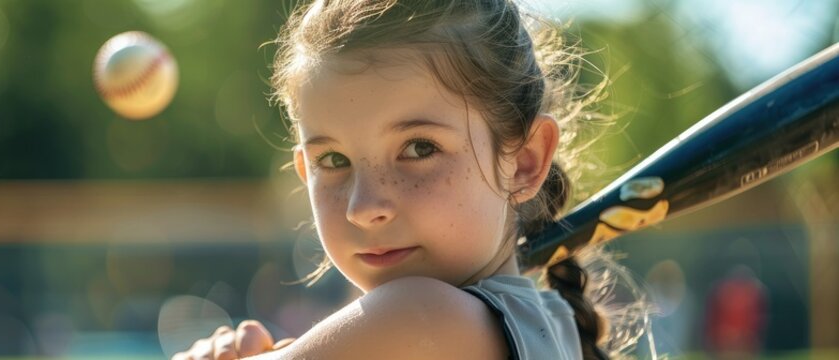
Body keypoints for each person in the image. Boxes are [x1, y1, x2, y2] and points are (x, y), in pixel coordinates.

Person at [175, 0, 648, 358]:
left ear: (524, 161)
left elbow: (409, 323)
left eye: (420, 148)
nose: (364, 207)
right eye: (334, 160)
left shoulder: (420, 315)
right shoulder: (557, 325)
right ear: (304, 171)